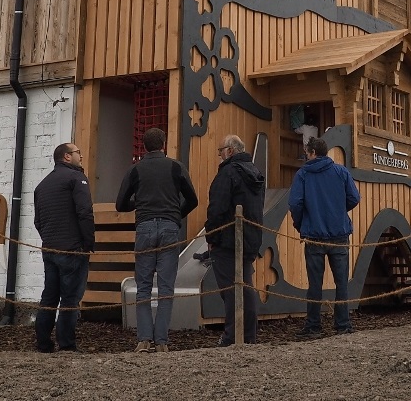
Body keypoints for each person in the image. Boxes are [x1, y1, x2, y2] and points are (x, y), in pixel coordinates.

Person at [115, 127, 199, 353]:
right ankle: (161, 341)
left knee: (143, 286)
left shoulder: (135, 170)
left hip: (144, 227)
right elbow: (193, 199)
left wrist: (140, 204)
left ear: (144, 146)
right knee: (165, 287)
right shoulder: (175, 167)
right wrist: (175, 214)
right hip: (170, 227)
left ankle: (144, 339)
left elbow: (120, 204)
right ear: (164, 143)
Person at [288, 136, 361, 337]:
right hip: (339, 234)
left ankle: (313, 326)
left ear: (311, 153)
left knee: (314, 284)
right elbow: (354, 198)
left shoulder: (303, 174)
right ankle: (343, 325)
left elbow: (295, 204)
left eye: (306, 152)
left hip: (314, 234)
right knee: (341, 283)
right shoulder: (341, 171)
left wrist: (300, 223)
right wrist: (338, 210)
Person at [33, 142, 95, 353]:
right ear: (67, 157)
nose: (81, 156)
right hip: (72, 249)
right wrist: (88, 243)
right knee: (70, 299)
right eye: (78, 152)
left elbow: (38, 221)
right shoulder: (77, 178)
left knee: (49, 296)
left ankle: (43, 343)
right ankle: (66, 345)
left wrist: (49, 240)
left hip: (50, 249)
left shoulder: (42, 185)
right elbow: (84, 212)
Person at [205, 134, 265, 346]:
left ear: (230, 151)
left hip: (227, 239)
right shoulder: (256, 173)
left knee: (230, 291)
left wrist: (211, 236)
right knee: (245, 287)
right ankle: (248, 335)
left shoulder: (228, 173)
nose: (219, 155)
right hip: (250, 237)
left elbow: (218, 208)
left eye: (220, 150)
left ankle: (232, 336)